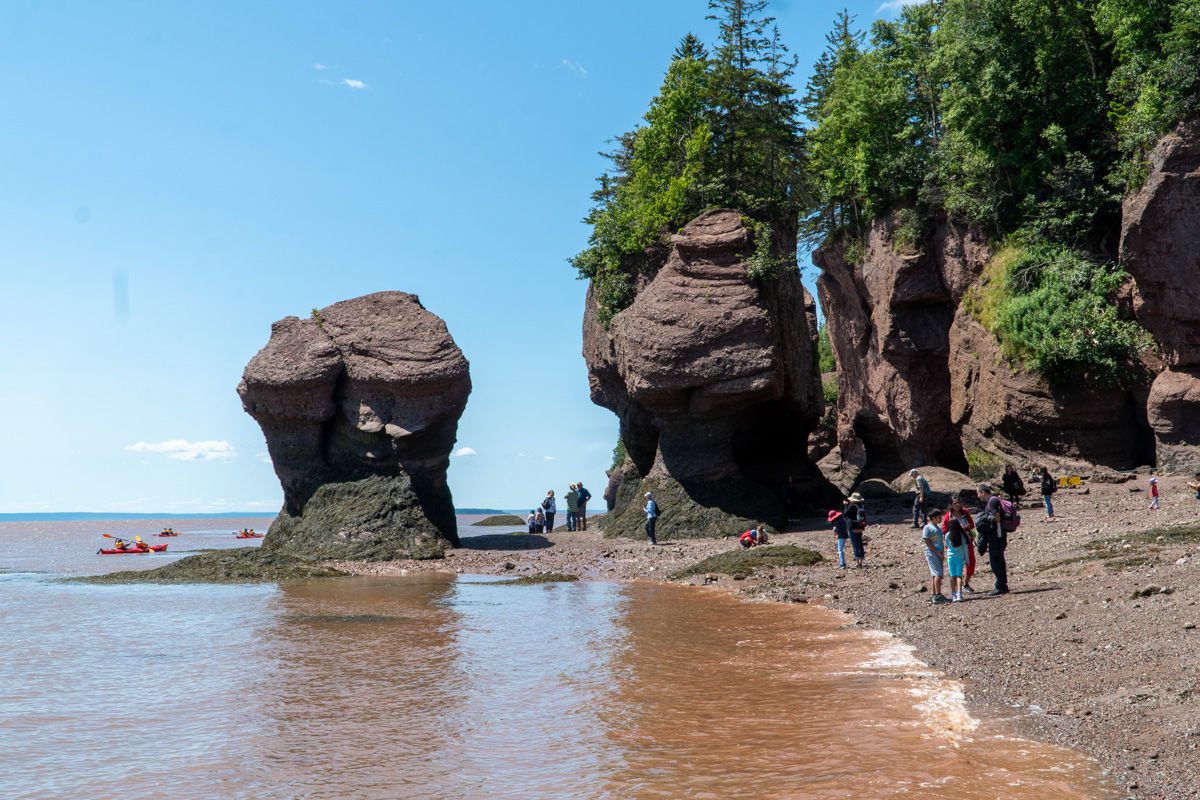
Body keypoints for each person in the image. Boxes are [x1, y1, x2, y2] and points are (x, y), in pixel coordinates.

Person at [976, 483, 1010, 595]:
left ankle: (1000, 586)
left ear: (983, 492)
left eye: (978, 493)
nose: (978, 496)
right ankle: (1001, 585)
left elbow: (997, 517)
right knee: (998, 560)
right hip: (998, 535)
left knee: (996, 561)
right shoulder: (993, 500)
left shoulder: (992, 501)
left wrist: (987, 519)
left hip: (997, 535)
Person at [942, 499, 977, 593]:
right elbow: (944, 531)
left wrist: (966, 527)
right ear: (951, 505)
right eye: (955, 503)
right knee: (958, 564)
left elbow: (972, 525)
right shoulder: (948, 516)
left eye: (959, 502)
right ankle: (957, 588)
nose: (958, 505)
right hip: (955, 544)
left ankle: (965, 583)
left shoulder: (965, 512)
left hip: (967, 540)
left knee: (971, 562)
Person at [922, 507, 947, 604]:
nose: (940, 518)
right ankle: (938, 594)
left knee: (935, 573)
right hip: (932, 553)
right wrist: (937, 552)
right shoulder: (927, 527)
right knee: (938, 574)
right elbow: (927, 540)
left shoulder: (938, 528)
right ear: (933, 517)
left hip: (938, 553)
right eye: (939, 517)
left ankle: (933, 594)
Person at [945, 518, 968, 603]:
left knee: (952, 576)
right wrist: (967, 560)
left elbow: (946, 544)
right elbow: (965, 548)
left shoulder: (947, 535)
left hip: (950, 557)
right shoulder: (961, 535)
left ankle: (953, 595)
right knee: (959, 576)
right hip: (960, 557)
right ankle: (959, 594)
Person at [843, 492, 867, 568]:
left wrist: (846, 505)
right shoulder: (861, 505)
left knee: (855, 544)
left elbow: (845, 514)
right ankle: (861, 561)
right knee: (860, 543)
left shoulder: (851, 506)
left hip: (853, 526)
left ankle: (858, 562)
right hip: (860, 526)